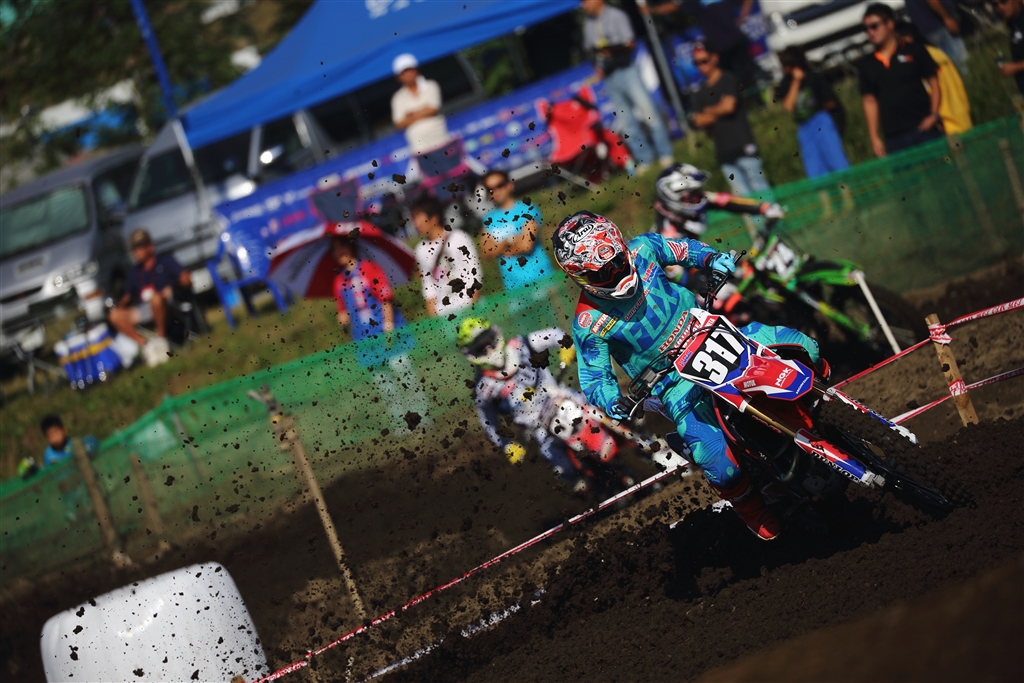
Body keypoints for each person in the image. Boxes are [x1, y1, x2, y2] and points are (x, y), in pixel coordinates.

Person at [552, 210, 824, 540]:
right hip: (675, 384)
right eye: (603, 273)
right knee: (719, 465)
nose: (616, 273)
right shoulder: (587, 323)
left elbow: (683, 249)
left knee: (803, 346)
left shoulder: (644, 248)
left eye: (618, 262)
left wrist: (713, 259)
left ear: (621, 246)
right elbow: (595, 378)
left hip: (715, 333)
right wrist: (613, 402)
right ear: (581, 277)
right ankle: (749, 506)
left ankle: (822, 409)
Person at [456, 317, 591, 492]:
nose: (489, 349)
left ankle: (627, 429)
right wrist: (506, 444)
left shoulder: (520, 345)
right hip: (540, 427)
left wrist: (566, 345)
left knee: (606, 406)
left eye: (489, 341)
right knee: (563, 468)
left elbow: (554, 334)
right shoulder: (483, 387)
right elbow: (488, 421)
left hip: (562, 397)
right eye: (481, 348)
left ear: (495, 334)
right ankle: (593, 490)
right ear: (472, 354)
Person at [332, 234, 429, 433]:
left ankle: (422, 419)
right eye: (335, 249)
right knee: (384, 385)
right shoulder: (339, 281)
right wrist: (342, 319)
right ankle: (401, 425)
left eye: (342, 246)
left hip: (385, 332)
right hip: (364, 339)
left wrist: (389, 325)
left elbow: (385, 298)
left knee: (405, 375)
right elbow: (342, 309)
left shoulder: (370, 268)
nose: (339, 252)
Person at [581, 0, 675, 173]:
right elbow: (590, 50)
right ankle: (644, 159)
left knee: (649, 113)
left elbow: (629, 43)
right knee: (626, 122)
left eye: (586, 1)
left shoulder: (617, 16)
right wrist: (598, 66)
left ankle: (665, 153)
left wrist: (610, 51)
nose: (583, 5)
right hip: (609, 76)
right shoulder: (588, 24)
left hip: (627, 70)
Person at [858, 4, 943, 158]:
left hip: (924, 128)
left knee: (941, 169)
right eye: (866, 28)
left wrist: (934, 114)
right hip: (895, 138)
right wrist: (874, 137)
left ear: (890, 24)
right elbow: (870, 101)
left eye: (874, 26)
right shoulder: (866, 64)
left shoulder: (914, 50)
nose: (870, 32)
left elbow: (934, 82)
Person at [688, 43, 769, 197]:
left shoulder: (728, 79)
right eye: (696, 63)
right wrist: (718, 109)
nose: (701, 66)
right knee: (741, 196)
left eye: (704, 61)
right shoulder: (700, 92)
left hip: (743, 144)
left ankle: (773, 213)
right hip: (723, 152)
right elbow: (698, 121)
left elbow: (729, 107)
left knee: (759, 186)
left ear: (714, 58)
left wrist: (708, 111)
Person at [108, 228, 191, 367]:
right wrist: (117, 305)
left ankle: (161, 341)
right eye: (134, 248)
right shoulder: (134, 272)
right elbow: (127, 297)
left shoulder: (165, 261)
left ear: (150, 246)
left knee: (155, 298)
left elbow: (185, 278)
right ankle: (146, 346)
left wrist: (173, 287)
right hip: (144, 308)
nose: (137, 252)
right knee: (114, 315)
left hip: (167, 305)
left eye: (140, 247)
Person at [775, 46, 850, 179]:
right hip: (804, 127)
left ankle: (847, 190)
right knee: (814, 169)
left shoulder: (813, 76)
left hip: (821, 120)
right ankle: (824, 192)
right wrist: (796, 81)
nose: (783, 68)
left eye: (785, 64)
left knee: (836, 161)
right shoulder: (786, 82)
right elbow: (788, 106)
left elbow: (831, 101)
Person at [641, 0, 757, 85]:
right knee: (730, 80)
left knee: (749, 73)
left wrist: (744, 14)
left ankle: (758, 101)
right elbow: (674, 6)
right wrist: (652, 10)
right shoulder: (695, 2)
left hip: (737, 41)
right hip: (719, 47)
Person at [478, 170, 554, 291]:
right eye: (490, 189)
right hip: (513, 287)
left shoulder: (527, 209)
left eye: (499, 185)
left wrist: (498, 246)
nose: (495, 191)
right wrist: (511, 240)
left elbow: (526, 245)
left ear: (509, 185)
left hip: (541, 278)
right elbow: (486, 252)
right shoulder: (488, 219)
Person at [411, 194, 482, 317]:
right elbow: (428, 286)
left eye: (419, 218)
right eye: (414, 219)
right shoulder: (420, 249)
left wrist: (472, 309)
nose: (416, 224)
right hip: (444, 314)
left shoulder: (458, 238)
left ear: (434, 218)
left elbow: (474, 274)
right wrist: (434, 318)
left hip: (468, 307)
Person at [896, 21, 972, 135]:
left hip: (945, 124)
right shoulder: (937, 53)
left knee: (956, 146)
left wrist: (934, 115)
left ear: (908, 38)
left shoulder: (920, 59)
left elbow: (932, 89)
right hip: (961, 116)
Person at [390, 53, 449, 155]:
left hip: (441, 141)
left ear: (416, 69)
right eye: (404, 72)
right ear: (399, 76)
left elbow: (433, 109)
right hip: (419, 149)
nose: (409, 74)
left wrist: (410, 115)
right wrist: (423, 110)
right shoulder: (397, 98)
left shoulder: (431, 85)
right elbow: (399, 123)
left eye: (410, 69)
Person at [905, 0, 969, 75]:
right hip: (938, 26)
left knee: (945, 66)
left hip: (926, 29)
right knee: (961, 62)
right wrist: (947, 18)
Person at [992, 0, 1024, 95]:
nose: (1000, 7)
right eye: (995, 5)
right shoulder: (1012, 22)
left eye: (1004, 1)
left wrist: (1016, 67)